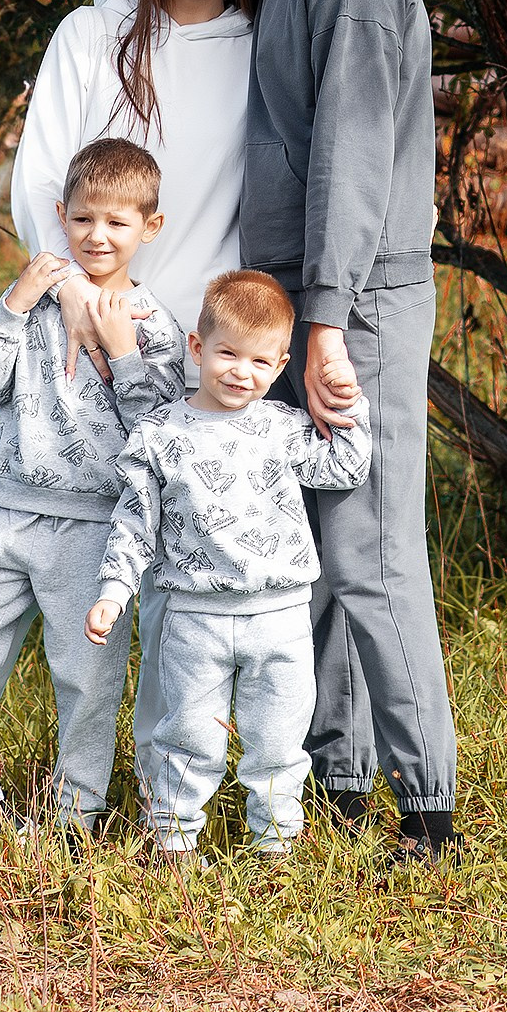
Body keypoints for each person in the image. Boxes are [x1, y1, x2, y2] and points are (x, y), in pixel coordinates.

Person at [189, 0, 458, 864]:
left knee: (370, 552)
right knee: (311, 538)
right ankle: (337, 778)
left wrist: (329, 322)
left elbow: (351, 154)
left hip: (356, 301)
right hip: (311, 298)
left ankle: (428, 813)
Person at [0, 137, 185, 839]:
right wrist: (10, 304)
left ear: (149, 228)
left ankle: (74, 818)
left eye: (118, 223)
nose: (98, 235)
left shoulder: (156, 328)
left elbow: (157, 435)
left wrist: (122, 353)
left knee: (86, 683)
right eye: (84, 218)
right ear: (62, 215)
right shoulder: (32, 302)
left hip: (93, 528)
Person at [85, 269, 372, 859]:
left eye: (262, 363)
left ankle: (276, 848)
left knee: (278, 741)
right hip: (196, 616)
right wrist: (114, 591)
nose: (243, 373)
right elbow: (135, 521)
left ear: (282, 365)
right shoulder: (161, 434)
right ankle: (172, 844)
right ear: (197, 347)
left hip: (281, 616)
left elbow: (344, 470)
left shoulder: (283, 428)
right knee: (189, 736)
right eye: (228, 354)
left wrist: (352, 407)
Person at [11, 0, 267, 344]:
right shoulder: (93, 33)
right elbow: (39, 178)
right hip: (82, 326)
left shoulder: (261, 49)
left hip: (201, 343)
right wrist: (72, 291)